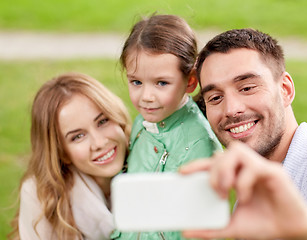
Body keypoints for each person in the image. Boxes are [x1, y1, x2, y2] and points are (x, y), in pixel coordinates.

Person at [179, 28, 307, 240]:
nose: (231, 109)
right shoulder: (248, 192)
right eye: (215, 98)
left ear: (285, 89)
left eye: (247, 87)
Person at [112, 14, 222, 240]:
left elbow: (203, 226)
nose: (146, 97)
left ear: (190, 81)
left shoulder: (200, 145)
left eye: (161, 83)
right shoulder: (142, 122)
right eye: (136, 82)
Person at [9, 72, 131, 240]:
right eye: (78, 136)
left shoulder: (154, 160)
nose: (99, 143)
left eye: (103, 121)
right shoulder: (42, 196)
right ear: (62, 153)